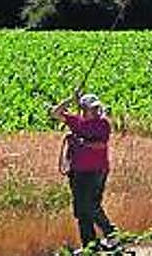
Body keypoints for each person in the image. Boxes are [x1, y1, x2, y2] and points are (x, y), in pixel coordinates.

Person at [50, 92, 118, 252]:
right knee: (80, 210)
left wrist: (80, 141)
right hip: (77, 172)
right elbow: (55, 113)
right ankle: (90, 245)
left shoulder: (103, 124)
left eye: (96, 108)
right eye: (91, 108)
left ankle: (110, 232)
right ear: (83, 109)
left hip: (96, 171)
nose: (95, 111)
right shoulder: (76, 122)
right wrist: (70, 100)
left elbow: (100, 146)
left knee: (91, 205)